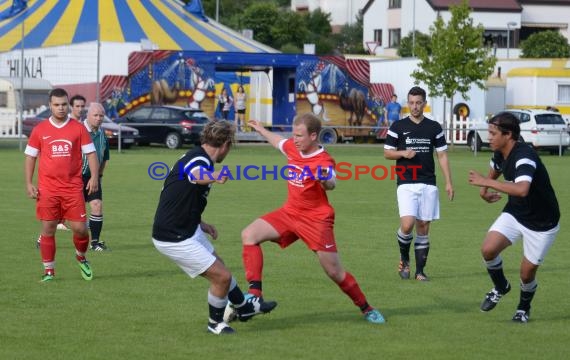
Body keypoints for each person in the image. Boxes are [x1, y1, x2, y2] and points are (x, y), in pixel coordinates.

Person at [240, 113, 385, 324]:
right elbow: (279, 142)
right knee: (249, 234)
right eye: (294, 134)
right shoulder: (293, 147)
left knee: (334, 272)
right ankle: (255, 295)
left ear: (314, 136)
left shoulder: (323, 160)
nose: (295, 139)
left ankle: (366, 308)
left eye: (299, 135)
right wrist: (261, 130)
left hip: (316, 220)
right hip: (290, 213)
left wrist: (325, 181)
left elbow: (332, 182)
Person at [152, 120, 277, 335]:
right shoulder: (199, 160)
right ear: (226, 144)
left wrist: (201, 223)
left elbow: (181, 195)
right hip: (173, 236)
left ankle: (244, 308)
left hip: (187, 228)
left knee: (220, 266)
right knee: (222, 276)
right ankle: (215, 324)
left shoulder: (198, 156)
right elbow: (195, 176)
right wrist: (215, 177)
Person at [468, 112, 560, 323]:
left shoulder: (524, 156)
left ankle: (523, 308)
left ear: (508, 135)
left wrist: (486, 182)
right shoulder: (500, 151)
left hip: (542, 223)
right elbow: (495, 169)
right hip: (516, 212)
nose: (489, 137)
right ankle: (501, 286)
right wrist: (484, 189)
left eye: (493, 133)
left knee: (526, 274)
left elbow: (521, 189)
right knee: (488, 249)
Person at [25, 88, 99, 282]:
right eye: (56, 105)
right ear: (50, 105)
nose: (60, 108)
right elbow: (30, 157)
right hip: (47, 189)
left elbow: (91, 154)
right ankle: (49, 271)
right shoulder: (40, 129)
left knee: (81, 229)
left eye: (64, 104)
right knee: (48, 228)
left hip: (72, 188)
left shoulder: (78, 128)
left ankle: (81, 256)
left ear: (68, 105)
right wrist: (28, 183)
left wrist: (94, 177)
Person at [383, 86, 454, 281]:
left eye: (418, 103)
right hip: (406, 181)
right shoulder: (397, 126)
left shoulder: (434, 127)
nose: (415, 106)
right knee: (407, 225)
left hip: (428, 182)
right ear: (408, 103)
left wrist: (448, 182)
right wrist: (403, 153)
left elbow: (441, 155)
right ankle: (404, 259)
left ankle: (420, 271)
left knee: (423, 226)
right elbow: (387, 152)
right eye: (412, 103)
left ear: (424, 103)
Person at [54, 94, 87, 232]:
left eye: (82, 106)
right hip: (66, 176)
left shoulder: (81, 125)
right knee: (58, 208)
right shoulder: (65, 126)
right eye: (77, 106)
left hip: (80, 172)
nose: (80, 109)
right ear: (71, 107)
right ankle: (43, 237)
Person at [82, 103, 110, 251]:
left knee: (97, 205)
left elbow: (105, 156)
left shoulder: (102, 134)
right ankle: (44, 237)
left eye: (101, 116)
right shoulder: (78, 131)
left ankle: (94, 243)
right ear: (88, 115)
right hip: (74, 178)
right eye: (95, 115)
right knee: (62, 211)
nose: (99, 119)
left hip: (93, 178)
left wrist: (98, 176)